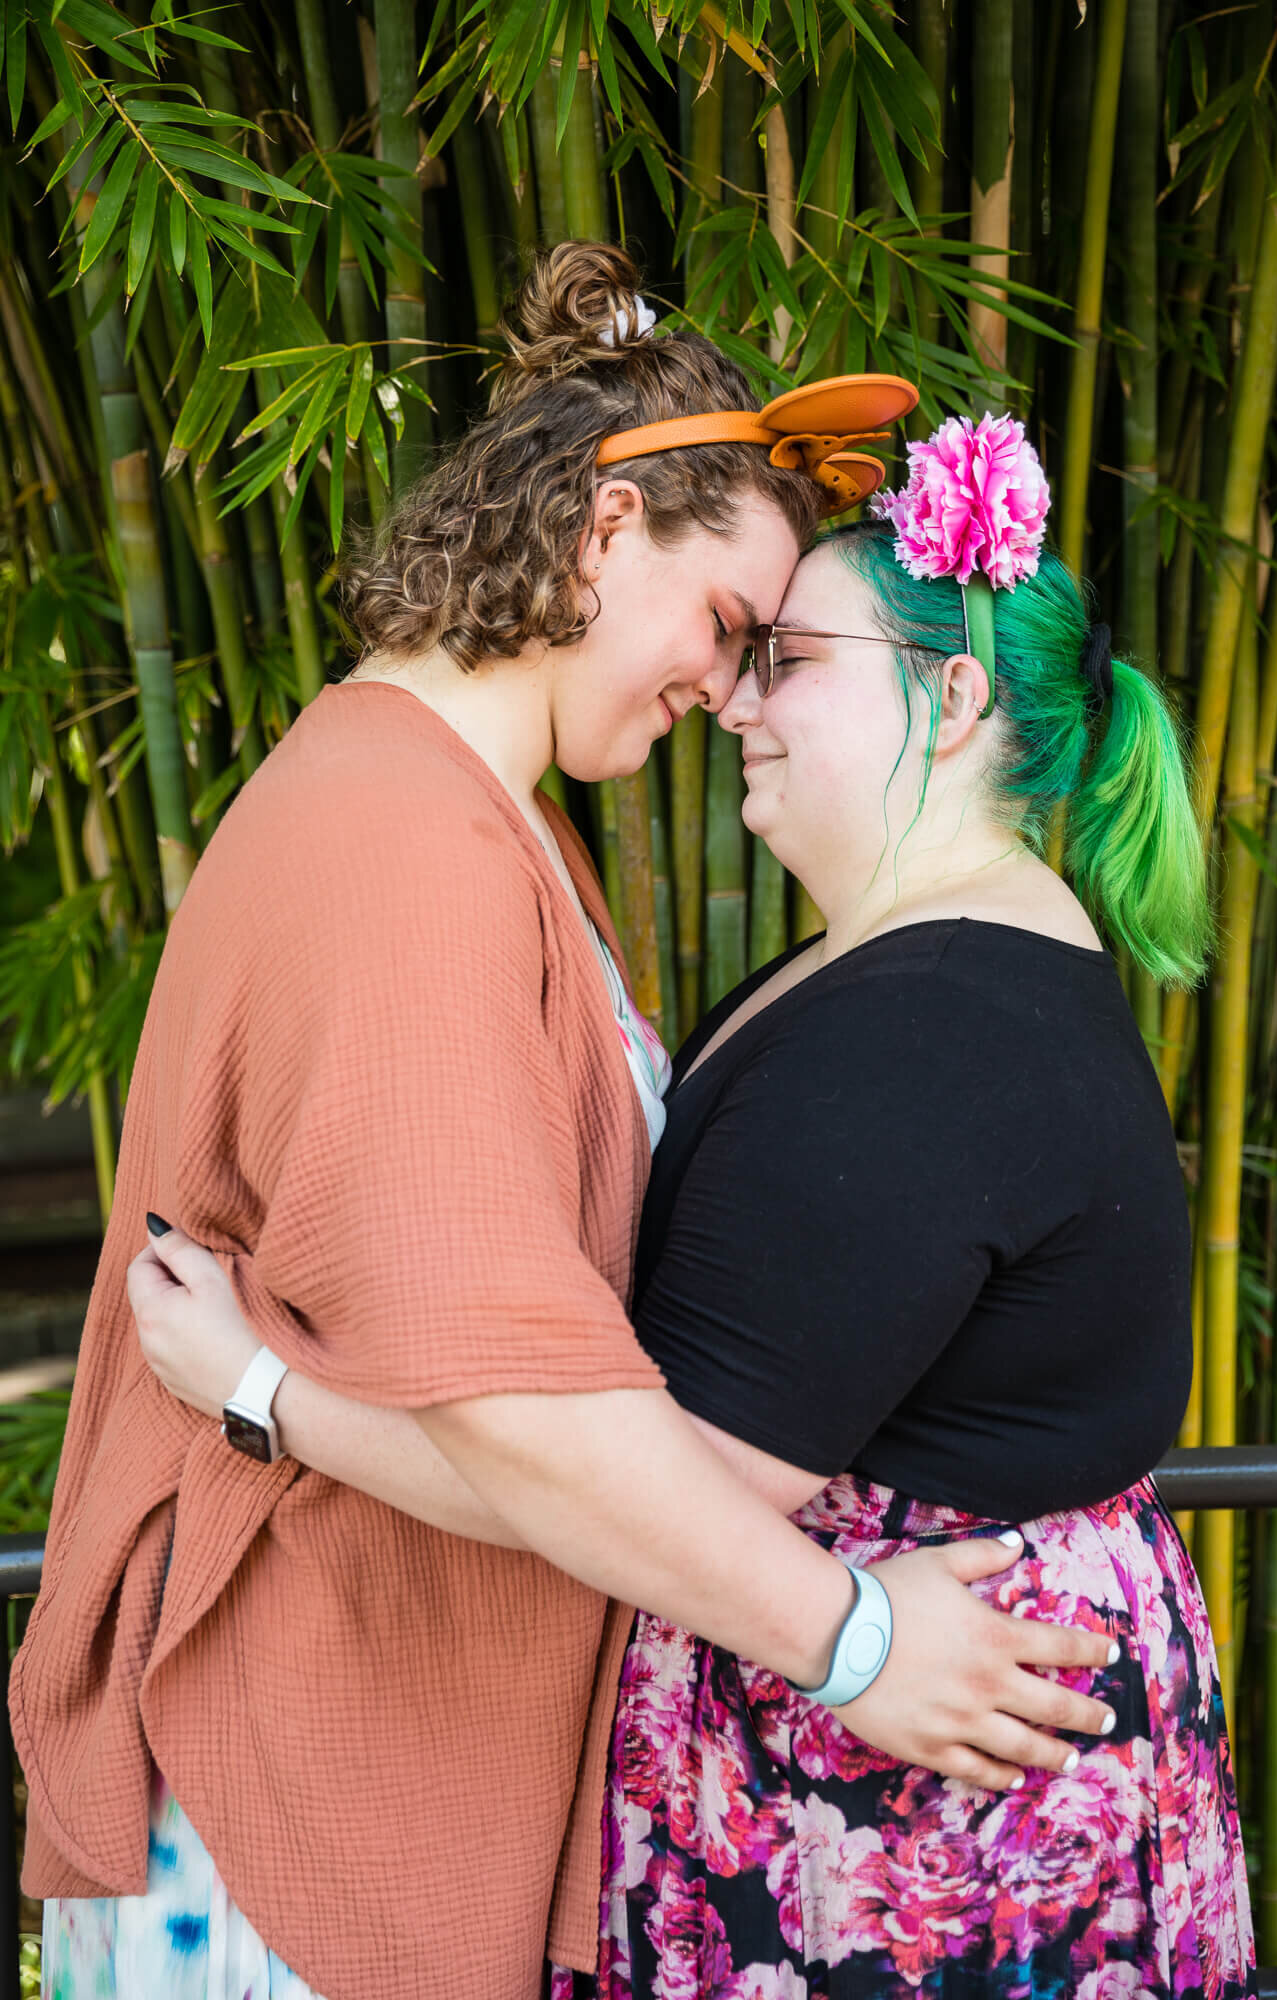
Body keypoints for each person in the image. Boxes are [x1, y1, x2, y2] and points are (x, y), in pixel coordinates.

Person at [13, 249, 1115, 2000]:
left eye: (768, 651)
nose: (728, 690)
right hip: (301, 1786)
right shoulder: (401, 841)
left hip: (373, 1743)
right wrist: (857, 1640)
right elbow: (516, 1394)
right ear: (606, 532)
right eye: (726, 624)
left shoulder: (482, 820)